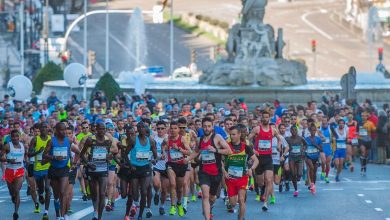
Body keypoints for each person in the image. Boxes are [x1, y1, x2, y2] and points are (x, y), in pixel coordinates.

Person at [186, 117, 232, 220]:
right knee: (205, 196)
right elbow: (196, 152)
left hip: (216, 172)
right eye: (205, 126)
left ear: (212, 127)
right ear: (202, 127)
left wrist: (215, 150)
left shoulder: (217, 137)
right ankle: (207, 217)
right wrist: (187, 159)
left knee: (212, 197)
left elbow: (229, 151)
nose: (206, 128)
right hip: (204, 172)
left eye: (209, 126)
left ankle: (209, 208)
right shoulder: (200, 139)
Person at [79, 122, 118, 220]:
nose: (102, 131)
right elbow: (82, 154)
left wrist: (110, 156)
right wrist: (88, 164)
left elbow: (112, 153)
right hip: (92, 169)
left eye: (103, 129)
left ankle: (99, 216)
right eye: (100, 129)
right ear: (96, 129)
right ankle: (95, 211)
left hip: (103, 170)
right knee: (94, 194)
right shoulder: (90, 140)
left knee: (101, 193)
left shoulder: (108, 141)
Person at [248, 111, 281, 211]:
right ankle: (260, 190)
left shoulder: (273, 130)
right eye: (264, 117)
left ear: (269, 118)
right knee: (260, 182)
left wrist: (279, 145)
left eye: (267, 117)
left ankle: (265, 203)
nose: (265, 119)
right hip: (258, 159)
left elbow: (279, 139)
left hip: (268, 158)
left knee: (268, 180)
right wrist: (253, 150)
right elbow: (247, 140)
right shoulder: (257, 129)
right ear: (261, 118)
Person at [223, 126, 258, 220]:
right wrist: (224, 171)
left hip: (242, 177)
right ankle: (231, 204)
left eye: (234, 134)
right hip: (230, 178)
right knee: (233, 203)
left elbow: (256, 160)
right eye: (231, 134)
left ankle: (241, 218)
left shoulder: (245, 147)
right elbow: (219, 161)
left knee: (241, 200)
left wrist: (251, 169)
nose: (232, 136)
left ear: (239, 134)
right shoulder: (226, 146)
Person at [124, 122, 157, 220]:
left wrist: (155, 160)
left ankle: (140, 215)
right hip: (135, 169)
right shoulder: (133, 140)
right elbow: (125, 154)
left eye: (144, 127)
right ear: (137, 129)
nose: (142, 128)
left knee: (144, 192)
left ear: (146, 128)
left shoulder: (150, 140)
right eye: (140, 127)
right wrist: (130, 165)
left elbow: (155, 155)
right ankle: (135, 205)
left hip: (146, 169)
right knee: (135, 194)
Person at [42, 122, 72, 220]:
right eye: (62, 130)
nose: (64, 132)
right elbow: (44, 155)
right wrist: (54, 157)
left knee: (63, 192)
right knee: (56, 195)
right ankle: (58, 214)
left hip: (64, 169)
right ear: (57, 131)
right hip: (54, 169)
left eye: (65, 129)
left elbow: (77, 151)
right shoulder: (51, 141)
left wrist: (75, 162)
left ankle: (62, 216)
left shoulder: (68, 141)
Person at [165, 121, 192, 217]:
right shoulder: (167, 139)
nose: (173, 130)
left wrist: (179, 149)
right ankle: (172, 206)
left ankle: (179, 204)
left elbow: (189, 152)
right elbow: (162, 147)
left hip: (181, 165)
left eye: (175, 128)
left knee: (180, 188)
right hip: (171, 164)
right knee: (172, 184)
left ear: (178, 129)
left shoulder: (182, 139)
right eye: (171, 128)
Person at [0, 130, 26, 220]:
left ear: (19, 137)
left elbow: (26, 156)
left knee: (17, 190)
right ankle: (13, 196)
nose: (15, 138)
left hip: (19, 170)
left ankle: (16, 212)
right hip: (9, 171)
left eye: (17, 136)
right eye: (13, 137)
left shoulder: (23, 146)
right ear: (10, 137)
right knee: (12, 192)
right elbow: (0, 157)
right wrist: (8, 160)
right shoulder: (7, 146)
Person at [29, 122, 51, 220]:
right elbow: (29, 154)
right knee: (41, 189)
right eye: (42, 127)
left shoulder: (51, 139)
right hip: (37, 168)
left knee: (47, 188)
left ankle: (46, 212)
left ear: (47, 129)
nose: (44, 129)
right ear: (40, 129)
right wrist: (38, 152)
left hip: (48, 167)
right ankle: (40, 194)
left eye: (46, 127)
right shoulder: (35, 139)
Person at [151, 121, 169, 215]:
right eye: (158, 128)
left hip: (166, 167)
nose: (160, 130)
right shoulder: (153, 139)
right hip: (156, 165)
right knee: (156, 184)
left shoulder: (170, 138)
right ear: (156, 129)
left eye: (162, 128)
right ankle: (156, 192)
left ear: (166, 129)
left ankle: (161, 206)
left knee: (165, 190)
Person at [285, 126, 307, 197]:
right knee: (293, 174)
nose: (294, 131)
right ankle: (296, 190)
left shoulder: (300, 138)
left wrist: (303, 150)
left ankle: (300, 176)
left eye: (295, 130)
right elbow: (283, 145)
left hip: (299, 157)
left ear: (297, 131)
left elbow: (306, 145)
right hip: (291, 157)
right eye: (292, 130)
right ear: (290, 131)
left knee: (299, 174)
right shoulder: (288, 139)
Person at [304, 124, 322, 195]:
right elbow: (303, 148)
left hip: (316, 157)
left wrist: (315, 145)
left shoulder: (318, 139)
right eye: (312, 130)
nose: (313, 132)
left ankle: (313, 185)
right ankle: (311, 184)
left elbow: (321, 149)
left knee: (314, 172)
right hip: (308, 156)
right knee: (311, 168)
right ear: (309, 131)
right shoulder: (306, 139)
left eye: (314, 130)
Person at [358, 111, 376, 176]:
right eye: (362, 116)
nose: (363, 117)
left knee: (366, 155)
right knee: (363, 152)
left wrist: (375, 129)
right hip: (361, 139)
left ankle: (364, 167)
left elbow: (374, 129)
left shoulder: (370, 123)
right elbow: (356, 131)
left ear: (367, 116)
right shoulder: (359, 123)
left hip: (368, 140)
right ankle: (362, 167)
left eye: (365, 116)